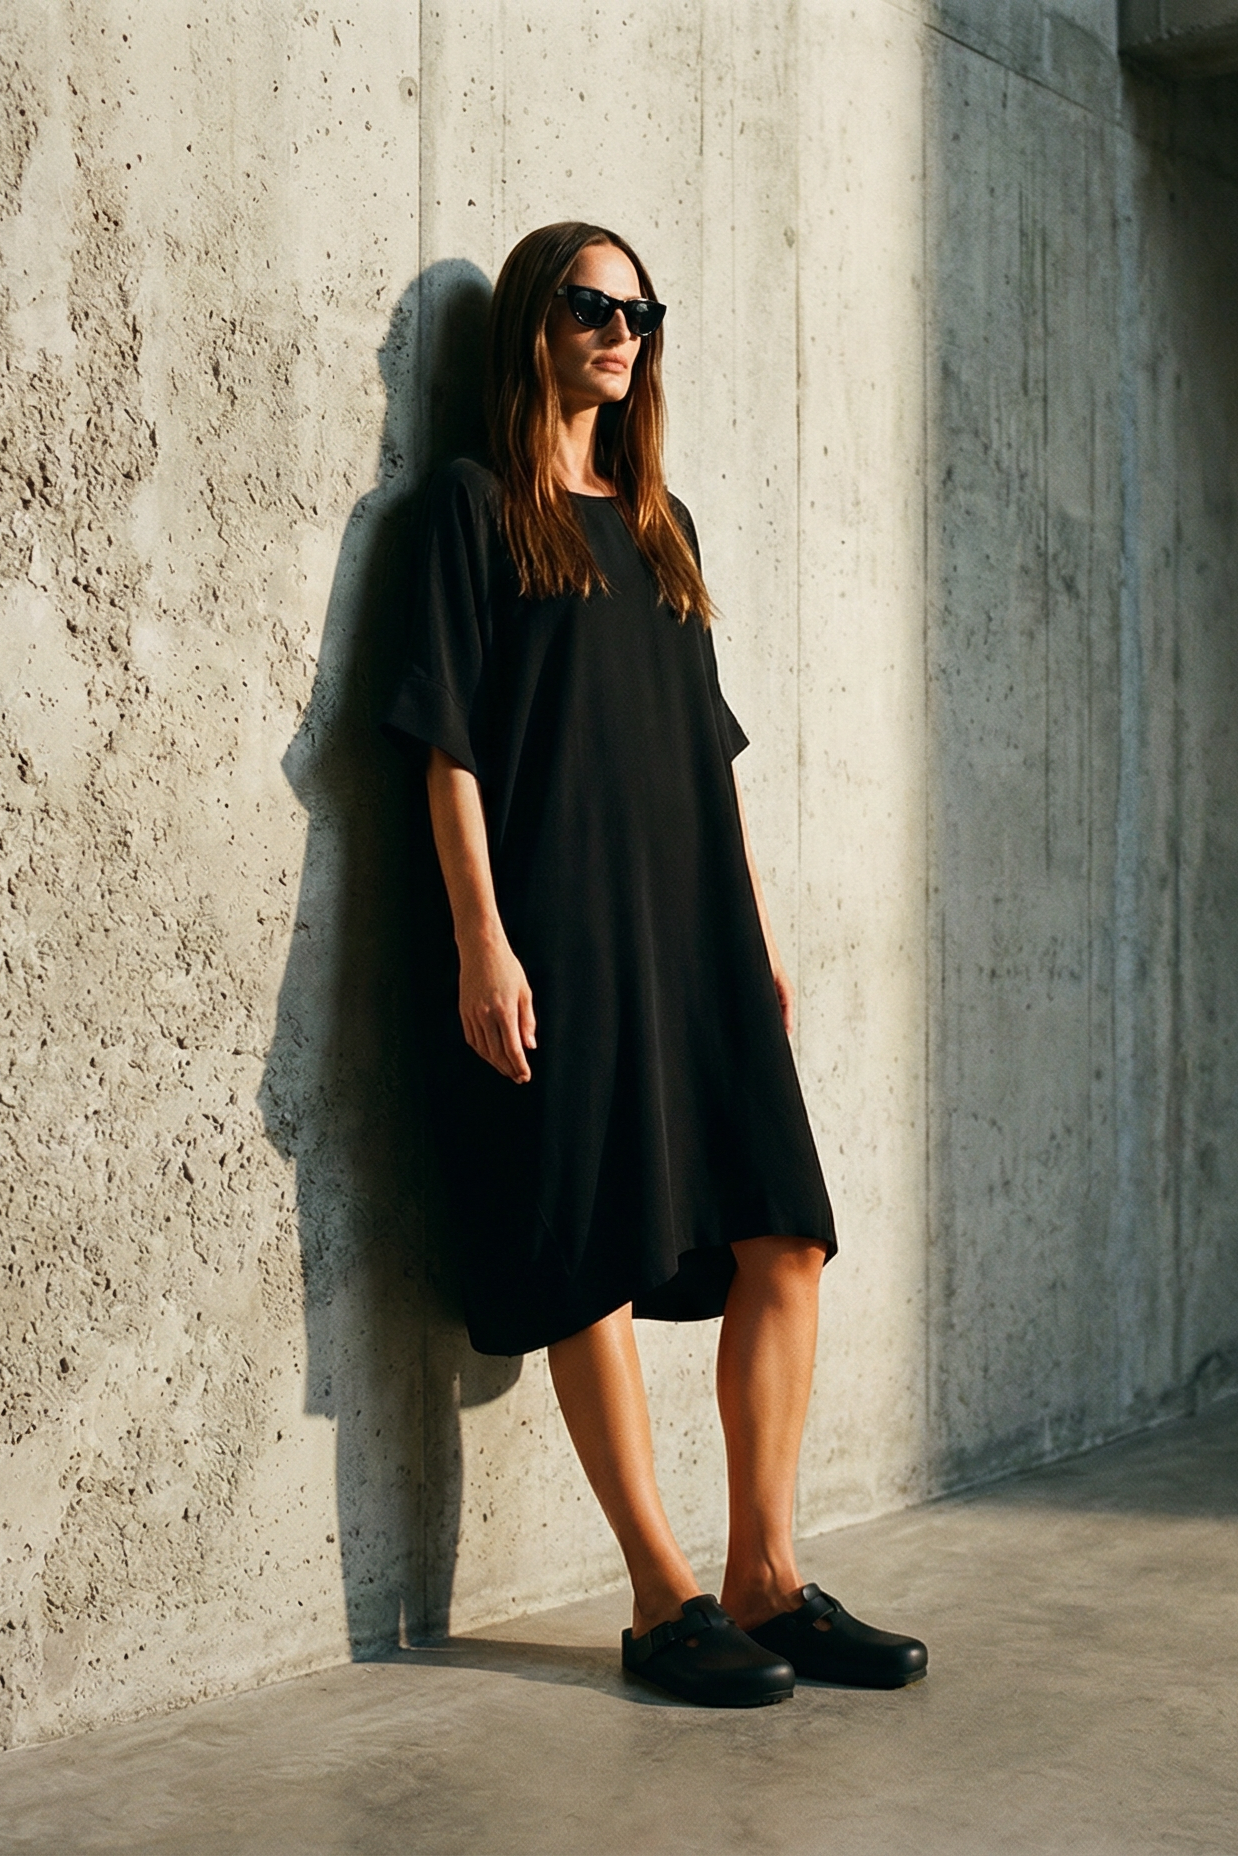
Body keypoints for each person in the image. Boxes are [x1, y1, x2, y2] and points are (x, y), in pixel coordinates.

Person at [384, 221, 927, 1706]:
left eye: (639, 310)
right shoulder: (473, 509)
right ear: (532, 324)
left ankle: (764, 1577)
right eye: (590, 303)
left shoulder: (658, 521)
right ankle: (659, 1594)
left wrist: (753, 944)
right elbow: (442, 742)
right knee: (596, 1250)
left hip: (690, 939)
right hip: (558, 934)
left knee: (788, 1235)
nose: (620, 330)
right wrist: (479, 937)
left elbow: (714, 756)